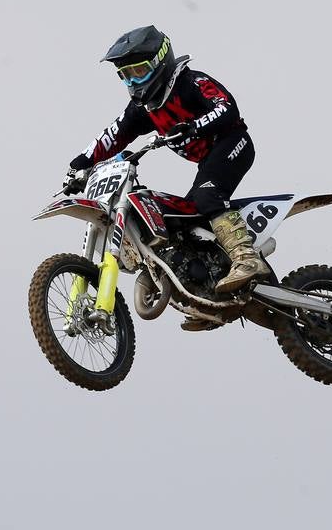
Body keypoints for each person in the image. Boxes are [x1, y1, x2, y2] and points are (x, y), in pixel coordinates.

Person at [69, 25, 262, 331]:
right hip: (208, 160)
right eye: (125, 75)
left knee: (207, 198)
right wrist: (79, 164)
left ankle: (246, 258)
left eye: (139, 71)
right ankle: (207, 289)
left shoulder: (188, 82)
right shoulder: (143, 108)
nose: (133, 81)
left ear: (160, 61)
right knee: (186, 218)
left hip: (232, 142)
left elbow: (227, 107)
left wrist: (195, 125)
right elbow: (113, 134)